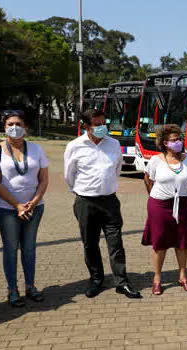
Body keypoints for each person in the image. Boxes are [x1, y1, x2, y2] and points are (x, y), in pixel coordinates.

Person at [64, 109, 141, 299]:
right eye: (96, 125)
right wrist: (84, 191)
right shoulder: (75, 146)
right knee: (90, 244)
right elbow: (69, 175)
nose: (101, 128)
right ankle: (96, 279)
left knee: (116, 243)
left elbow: (117, 169)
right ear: (86, 126)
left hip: (110, 202)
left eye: (103, 123)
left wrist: (106, 188)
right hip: (85, 202)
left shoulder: (114, 144)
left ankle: (121, 282)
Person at [0, 110, 49, 307]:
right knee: (10, 248)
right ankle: (12, 289)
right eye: (10, 124)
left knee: (29, 249)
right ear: (4, 127)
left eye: (18, 124)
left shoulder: (36, 149)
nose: (14, 128)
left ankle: (30, 286)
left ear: (25, 127)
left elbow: (43, 180)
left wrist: (33, 202)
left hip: (34, 207)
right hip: (6, 209)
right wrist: (16, 205)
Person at [143, 124, 187, 295]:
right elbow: (148, 180)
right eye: (174, 140)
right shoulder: (156, 160)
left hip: (182, 204)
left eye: (179, 139)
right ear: (165, 143)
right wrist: (157, 196)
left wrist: (178, 193)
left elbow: (186, 181)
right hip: (159, 205)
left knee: (182, 241)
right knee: (160, 243)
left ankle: (183, 276)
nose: (178, 143)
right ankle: (157, 279)